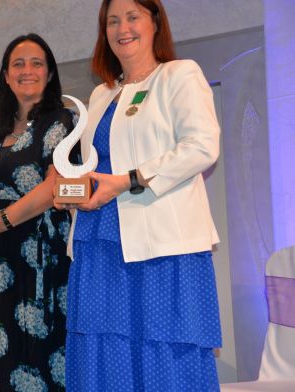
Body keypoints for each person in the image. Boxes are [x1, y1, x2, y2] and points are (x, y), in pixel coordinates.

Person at [54, 0, 222, 390]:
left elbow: (202, 147)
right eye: (112, 21)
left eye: (132, 17)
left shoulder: (179, 75)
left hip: (162, 244)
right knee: (103, 355)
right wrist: (73, 191)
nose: (122, 28)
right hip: (98, 240)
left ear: (155, 22)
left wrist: (131, 179)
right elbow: (95, 166)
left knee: (165, 352)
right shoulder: (100, 95)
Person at [0, 33, 76, 391]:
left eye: (37, 63)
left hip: (37, 256)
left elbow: (52, 188)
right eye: (18, 64)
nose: (27, 71)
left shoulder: (61, 121)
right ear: (6, 76)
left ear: (50, 73)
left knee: (35, 356)